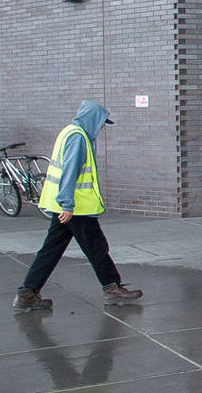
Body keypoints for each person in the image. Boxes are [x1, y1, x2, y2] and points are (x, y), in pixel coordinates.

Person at [12, 100, 144, 311]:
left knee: (51, 250)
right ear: (92, 119)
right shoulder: (78, 138)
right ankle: (111, 288)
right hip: (75, 208)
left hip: (65, 206)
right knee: (96, 247)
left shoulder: (69, 132)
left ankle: (27, 292)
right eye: (101, 123)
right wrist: (67, 204)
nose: (101, 128)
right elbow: (70, 171)